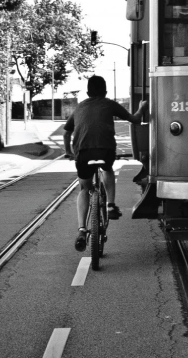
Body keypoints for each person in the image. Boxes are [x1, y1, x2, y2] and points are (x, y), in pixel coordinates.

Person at [63, 75, 147, 251]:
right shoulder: (109, 103)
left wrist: (69, 152)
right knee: (107, 169)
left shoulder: (80, 107)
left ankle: (81, 230)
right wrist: (141, 108)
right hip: (105, 151)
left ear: (87, 92)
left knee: (85, 189)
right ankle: (110, 205)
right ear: (105, 91)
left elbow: (66, 133)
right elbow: (135, 120)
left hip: (83, 154)